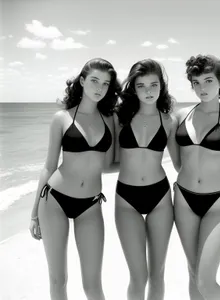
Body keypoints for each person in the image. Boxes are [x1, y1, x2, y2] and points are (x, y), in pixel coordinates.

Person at [29, 58, 121, 300]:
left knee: (93, 284)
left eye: (105, 83)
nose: (99, 88)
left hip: (90, 204)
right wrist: (34, 212)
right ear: (82, 81)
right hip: (54, 201)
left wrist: (145, 164)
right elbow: (48, 167)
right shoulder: (62, 118)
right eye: (94, 81)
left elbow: (110, 164)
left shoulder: (110, 119)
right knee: (58, 280)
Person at [173, 54, 220, 300]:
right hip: (184, 199)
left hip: (218, 203)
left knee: (206, 282)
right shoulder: (180, 116)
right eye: (196, 82)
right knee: (193, 272)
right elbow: (176, 162)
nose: (201, 88)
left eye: (207, 81)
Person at [112, 59, 178, 300]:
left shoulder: (169, 121)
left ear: (162, 86)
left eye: (154, 85)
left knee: (157, 273)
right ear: (134, 88)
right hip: (126, 199)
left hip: (160, 197)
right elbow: (106, 160)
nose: (148, 91)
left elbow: (181, 164)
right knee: (138, 276)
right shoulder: (119, 118)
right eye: (142, 86)